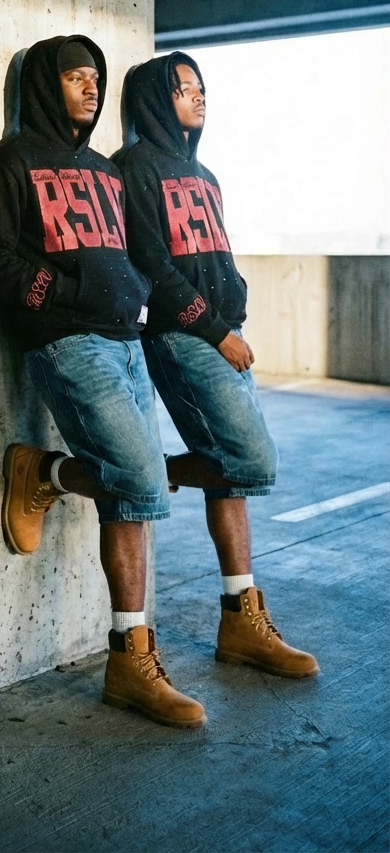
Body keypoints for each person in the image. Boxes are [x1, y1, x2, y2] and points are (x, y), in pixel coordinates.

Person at [0, 35, 206, 729]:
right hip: (66, 340)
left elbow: (134, 250)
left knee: (135, 498)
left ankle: (130, 659)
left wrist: (132, 295)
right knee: (141, 477)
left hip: (126, 340)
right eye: (75, 77)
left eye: (95, 78)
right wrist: (60, 295)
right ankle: (43, 471)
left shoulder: (105, 170)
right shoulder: (8, 163)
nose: (90, 88)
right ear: (46, 85)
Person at [116, 52, 318, 679]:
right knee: (251, 459)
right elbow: (152, 264)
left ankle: (240, 617)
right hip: (181, 335)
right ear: (155, 98)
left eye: (201, 87)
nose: (199, 96)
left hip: (221, 331)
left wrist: (235, 305)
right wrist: (214, 328)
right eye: (184, 88)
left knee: (230, 474)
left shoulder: (204, 174)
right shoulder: (133, 167)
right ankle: (142, 472)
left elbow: (215, 253)